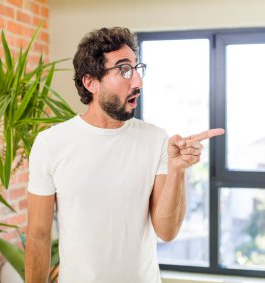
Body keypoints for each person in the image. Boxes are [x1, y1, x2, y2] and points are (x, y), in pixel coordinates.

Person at [25, 27, 224, 283]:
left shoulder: (155, 139)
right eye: (123, 70)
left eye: (137, 68)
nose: (138, 82)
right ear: (90, 82)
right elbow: (38, 235)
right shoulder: (51, 143)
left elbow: (167, 231)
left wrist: (177, 171)